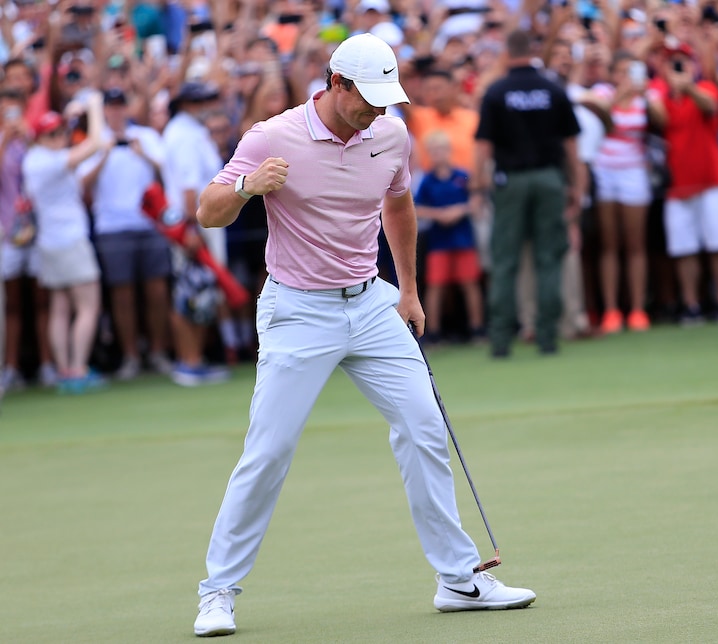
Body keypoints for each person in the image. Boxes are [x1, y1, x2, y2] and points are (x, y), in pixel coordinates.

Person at [191, 34, 535, 638]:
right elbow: (207, 211)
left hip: (372, 302)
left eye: (385, 98)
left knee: (425, 428)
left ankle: (458, 580)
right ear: (337, 83)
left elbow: (397, 206)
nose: (377, 109)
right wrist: (248, 188)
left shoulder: (392, 133)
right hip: (297, 310)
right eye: (367, 98)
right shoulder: (272, 137)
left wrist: (407, 290)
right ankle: (218, 592)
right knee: (268, 452)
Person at [475, 29, 581, 356]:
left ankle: (501, 340)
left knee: (506, 260)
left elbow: (483, 147)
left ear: (507, 53)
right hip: (549, 178)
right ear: (534, 50)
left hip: (511, 181)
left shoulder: (496, 92)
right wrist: (575, 185)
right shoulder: (552, 89)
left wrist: (479, 187)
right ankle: (548, 336)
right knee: (548, 257)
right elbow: (571, 146)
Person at [78, 87, 172, 380]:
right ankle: (131, 356)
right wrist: (104, 153)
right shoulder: (95, 143)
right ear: (105, 110)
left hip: (149, 223)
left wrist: (142, 155)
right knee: (122, 295)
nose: (117, 111)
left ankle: (157, 352)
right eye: (112, 106)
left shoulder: (146, 136)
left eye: (120, 105)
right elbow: (84, 184)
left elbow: (165, 171)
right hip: (112, 227)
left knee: (157, 291)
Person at [22, 97, 107, 391]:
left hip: (50, 241)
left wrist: (72, 113)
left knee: (60, 306)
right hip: (69, 240)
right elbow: (94, 144)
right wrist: (95, 105)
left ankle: (65, 369)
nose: (60, 137)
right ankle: (76, 369)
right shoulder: (47, 161)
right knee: (87, 306)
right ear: (40, 138)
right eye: (52, 134)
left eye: (60, 132)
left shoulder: (36, 159)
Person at [650, 40, 718, 325]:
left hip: (711, 181)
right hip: (679, 185)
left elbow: (709, 106)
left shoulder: (706, 88)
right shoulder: (661, 96)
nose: (678, 67)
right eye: (672, 62)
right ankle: (692, 305)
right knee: (684, 249)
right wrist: (669, 89)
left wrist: (686, 86)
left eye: (683, 61)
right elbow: (657, 118)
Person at [162, 81, 230, 386]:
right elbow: (189, 188)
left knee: (199, 292)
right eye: (201, 102)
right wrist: (192, 228)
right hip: (196, 223)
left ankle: (194, 360)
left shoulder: (185, 131)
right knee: (191, 293)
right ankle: (188, 362)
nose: (207, 106)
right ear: (188, 104)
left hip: (199, 221)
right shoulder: (185, 135)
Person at [588, 51, 656, 334]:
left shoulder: (645, 97)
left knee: (636, 244)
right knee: (609, 244)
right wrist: (621, 93)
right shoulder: (602, 92)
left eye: (632, 72)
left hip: (634, 173)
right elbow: (600, 117)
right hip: (605, 172)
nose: (627, 78)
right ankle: (612, 310)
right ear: (613, 74)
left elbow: (661, 119)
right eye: (622, 72)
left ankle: (638, 309)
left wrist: (647, 94)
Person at [0, 87, 58, 391]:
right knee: (11, 304)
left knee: (42, 300)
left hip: (40, 230)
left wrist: (30, 138)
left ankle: (47, 365)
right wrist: (6, 141)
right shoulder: (4, 142)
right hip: (9, 232)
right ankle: (10, 368)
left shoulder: (34, 141)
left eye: (15, 109)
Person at [413, 130, 485, 344]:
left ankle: (477, 329)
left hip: (463, 239)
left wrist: (459, 210)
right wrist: (439, 215)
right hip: (439, 242)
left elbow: (476, 202)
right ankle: (432, 333)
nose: (438, 155)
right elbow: (417, 208)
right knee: (436, 286)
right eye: (433, 151)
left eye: (441, 150)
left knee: (470, 283)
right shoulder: (427, 181)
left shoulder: (462, 176)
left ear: (449, 151)